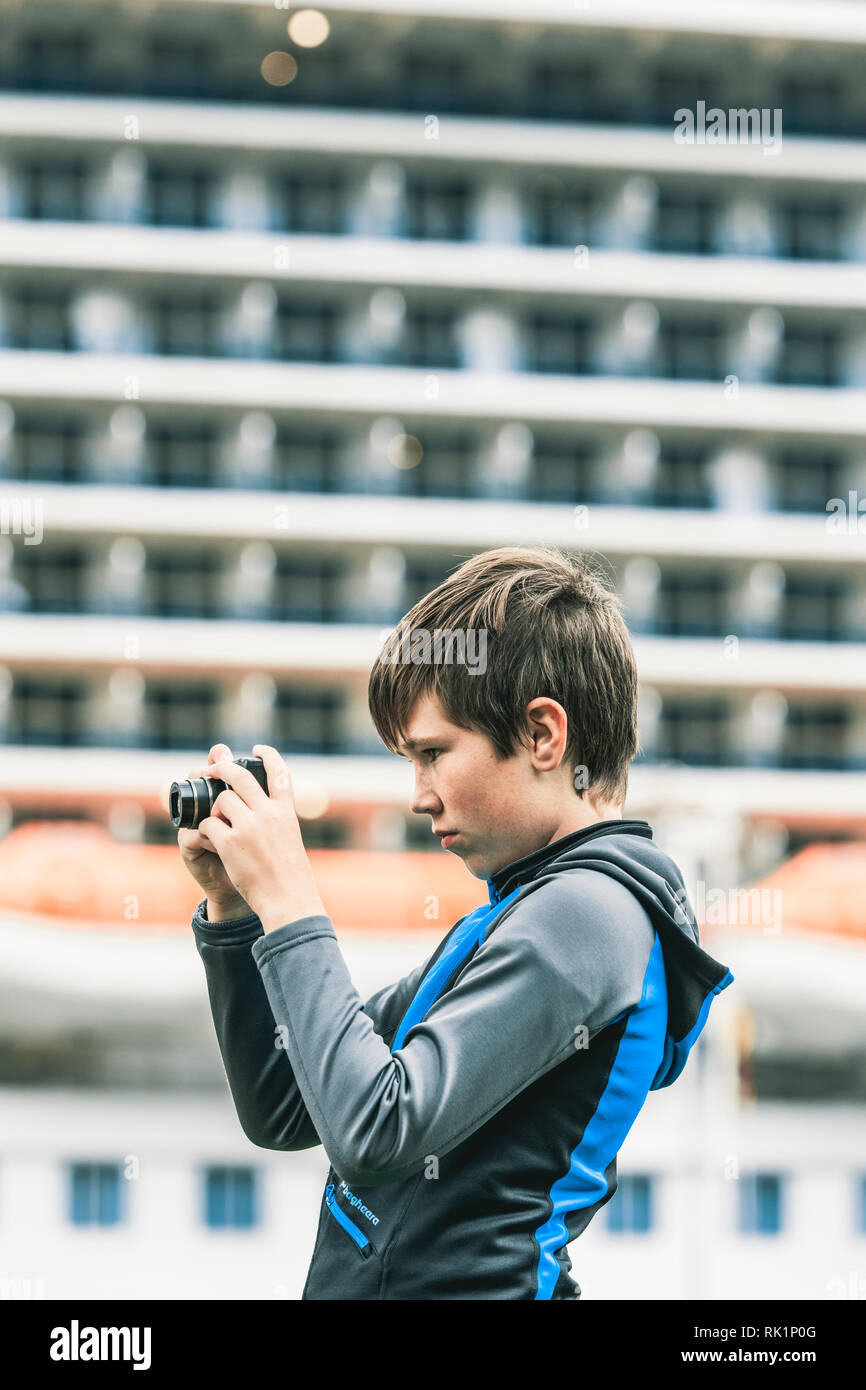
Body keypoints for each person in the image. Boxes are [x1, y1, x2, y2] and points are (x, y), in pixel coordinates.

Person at [180, 544, 734, 1300]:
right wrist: (238, 911)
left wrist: (291, 898)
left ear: (544, 736)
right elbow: (283, 1102)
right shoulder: (524, 911)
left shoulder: (588, 913)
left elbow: (377, 1132)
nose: (419, 795)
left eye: (433, 754)